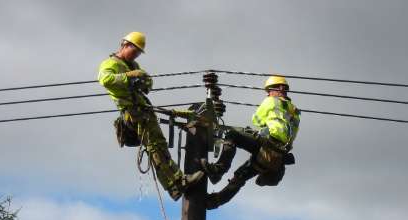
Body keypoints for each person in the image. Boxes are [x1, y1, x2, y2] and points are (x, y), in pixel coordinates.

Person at [98, 31, 204, 201]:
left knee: (158, 145)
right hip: (133, 113)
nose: (136, 54)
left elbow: (148, 80)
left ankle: (175, 186)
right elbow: (105, 80)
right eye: (135, 50)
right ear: (125, 45)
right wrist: (128, 78)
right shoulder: (110, 63)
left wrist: (144, 81)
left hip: (144, 110)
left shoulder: (134, 66)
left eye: (139, 52)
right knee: (156, 146)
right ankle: (177, 182)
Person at [202, 76, 301, 209]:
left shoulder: (271, 101)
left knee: (232, 135)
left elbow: (257, 120)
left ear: (279, 88)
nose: (268, 93)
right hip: (277, 157)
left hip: (268, 144)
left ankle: (218, 170)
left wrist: (265, 124)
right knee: (240, 177)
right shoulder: (295, 112)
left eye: (269, 90)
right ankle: (214, 202)